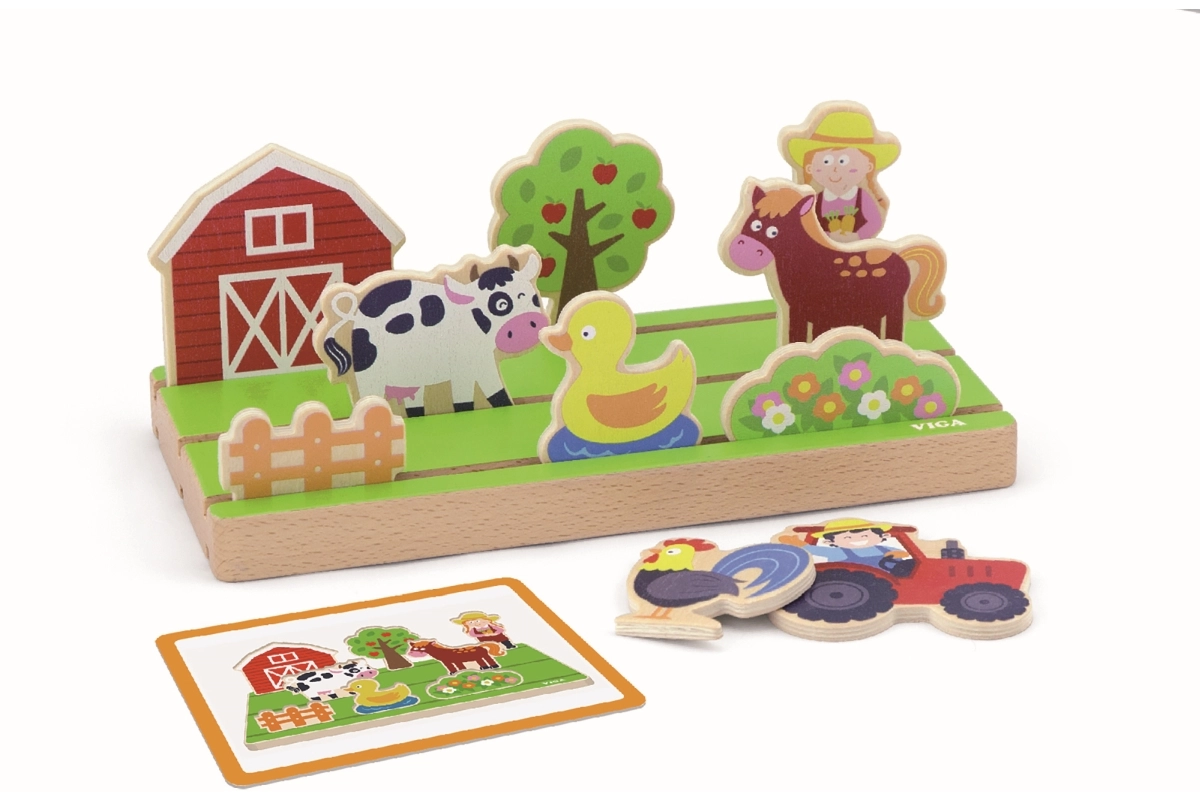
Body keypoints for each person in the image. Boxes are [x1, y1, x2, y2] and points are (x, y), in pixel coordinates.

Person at [780, 105, 900, 242]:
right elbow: (805, 224)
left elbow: (874, 222)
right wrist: (827, 236)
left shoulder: (863, 198)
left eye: (843, 161)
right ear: (809, 168)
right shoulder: (813, 200)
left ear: (868, 166)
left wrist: (858, 235)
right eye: (826, 161)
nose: (835, 169)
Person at [803, 518, 907, 569]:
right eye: (847, 537)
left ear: (883, 536)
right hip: (849, 584)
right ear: (829, 541)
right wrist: (798, 543)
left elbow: (903, 554)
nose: (857, 539)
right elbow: (811, 549)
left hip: (889, 581)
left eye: (865, 536)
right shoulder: (837, 552)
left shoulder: (886, 549)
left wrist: (897, 554)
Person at [450, 611, 515, 649]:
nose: (476, 623)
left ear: (487, 620)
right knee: (489, 645)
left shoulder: (492, 626)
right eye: (471, 622)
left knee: (503, 639)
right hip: (485, 639)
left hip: (497, 636)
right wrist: (482, 635)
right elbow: (473, 634)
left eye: (478, 621)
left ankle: (509, 645)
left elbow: (500, 629)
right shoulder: (473, 629)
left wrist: (495, 633)